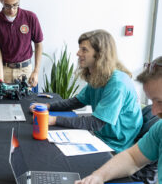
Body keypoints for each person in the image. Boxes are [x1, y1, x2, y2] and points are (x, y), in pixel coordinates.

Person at [30, 30, 143, 153]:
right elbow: (77, 101)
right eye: (80, 49)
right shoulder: (99, 75)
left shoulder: (117, 84)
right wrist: (47, 106)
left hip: (116, 145)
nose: (78, 53)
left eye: (84, 50)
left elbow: (96, 123)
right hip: (102, 136)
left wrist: (54, 119)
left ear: (100, 54)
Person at [75, 56, 162, 184]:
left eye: (160, 102)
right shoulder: (159, 129)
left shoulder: (117, 83)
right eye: (152, 101)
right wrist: (99, 176)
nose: (154, 111)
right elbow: (132, 158)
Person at [0, 0, 43, 87]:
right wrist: (0, 76)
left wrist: (36, 71)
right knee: (2, 101)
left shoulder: (30, 17)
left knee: (26, 101)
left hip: (25, 70)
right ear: (1, 0)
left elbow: (38, 44)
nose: (12, 10)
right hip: (5, 70)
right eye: (7, 6)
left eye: (15, 5)